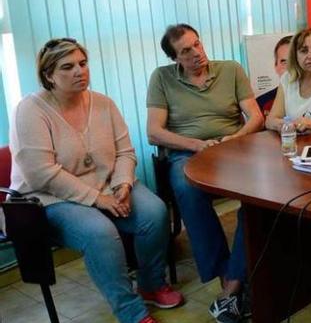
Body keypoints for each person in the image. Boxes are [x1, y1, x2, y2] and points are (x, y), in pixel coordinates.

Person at [10, 38, 183, 323]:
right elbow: (41, 173)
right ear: (49, 75)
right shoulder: (30, 110)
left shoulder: (103, 103)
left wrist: (123, 185)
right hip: (51, 198)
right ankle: (131, 311)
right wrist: (97, 199)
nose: (80, 71)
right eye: (68, 67)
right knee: (100, 233)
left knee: (154, 212)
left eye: (83, 63)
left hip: (108, 185)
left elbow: (125, 152)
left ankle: (151, 285)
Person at [146, 24, 264, 323]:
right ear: (175, 58)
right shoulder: (162, 78)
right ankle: (229, 279)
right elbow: (154, 132)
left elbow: (256, 117)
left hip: (234, 149)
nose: (197, 53)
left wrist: (234, 138)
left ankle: (232, 287)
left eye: (197, 44)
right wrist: (196, 145)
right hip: (188, 153)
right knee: (188, 191)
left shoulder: (230, 70)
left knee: (255, 196)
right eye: (186, 50)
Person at [255, 35, 292, 115]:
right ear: (276, 67)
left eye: (295, 61)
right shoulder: (261, 103)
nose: (290, 68)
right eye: (284, 62)